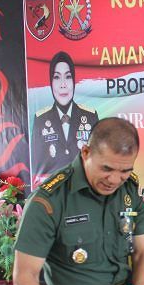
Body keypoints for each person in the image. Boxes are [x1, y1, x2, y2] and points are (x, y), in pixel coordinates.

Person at [14, 117, 144, 285]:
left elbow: (143, 253)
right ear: (86, 152)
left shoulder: (129, 192)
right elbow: (24, 276)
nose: (114, 180)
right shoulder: (50, 200)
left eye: (125, 171)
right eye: (106, 169)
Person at [32, 51, 99, 186]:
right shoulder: (40, 120)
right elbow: (37, 167)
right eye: (57, 77)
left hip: (84, 190)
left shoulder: (90, 117)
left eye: (68, 77)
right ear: (51, 83)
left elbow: (98, 160)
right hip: (54, 193)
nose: (63, 84)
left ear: (74, 81)